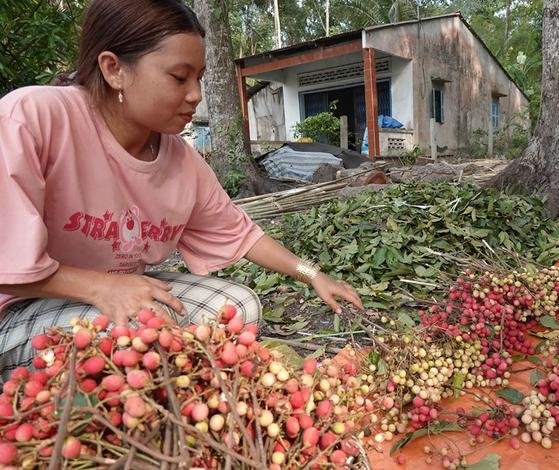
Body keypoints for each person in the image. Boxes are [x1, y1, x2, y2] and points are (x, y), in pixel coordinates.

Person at [0, 0, 363, 378]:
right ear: (114, 70)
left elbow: (241, 234)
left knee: (237, 307)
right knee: (140, 338)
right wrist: (99, 288)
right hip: (22, 306)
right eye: (179, 77)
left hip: (123, 293)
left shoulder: (181, 161)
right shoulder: (31, 119)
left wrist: (313, 273)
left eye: (199, 78)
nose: (196, 95)